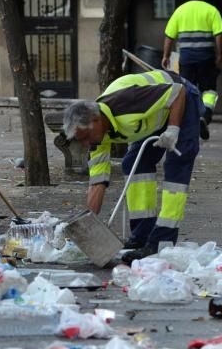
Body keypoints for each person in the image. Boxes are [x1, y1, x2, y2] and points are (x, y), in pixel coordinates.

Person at [62, 69, 202, 263]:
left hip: (182, 100)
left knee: (176, 165)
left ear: (95, 120)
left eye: (85, 137)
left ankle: (163, 240)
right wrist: (87, 227)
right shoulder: (97, 135)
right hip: (154, 114)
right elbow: (97, 182)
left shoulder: (126, 103)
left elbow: (177, 92)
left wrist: (173, 129)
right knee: (134, 163)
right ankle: (141, 236)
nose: (86, 144)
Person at [162, 0, 222, 140]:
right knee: (209, 90)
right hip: (206, 57)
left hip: (186, 58)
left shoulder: (180, 11)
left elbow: (169, 36)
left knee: (186, 90)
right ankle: (205, 115)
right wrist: (219, 55)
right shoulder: (211, 10)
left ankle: (188, 122)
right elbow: (219, 35)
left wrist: (166, 56)